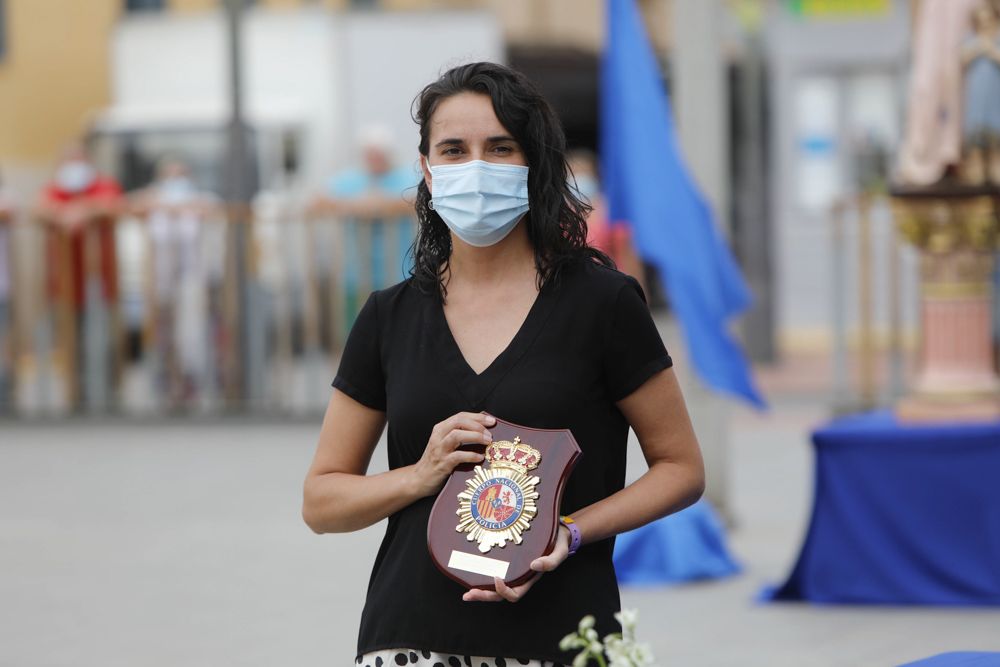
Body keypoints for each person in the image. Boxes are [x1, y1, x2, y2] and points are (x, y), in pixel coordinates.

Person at [302, 62, 704, 665]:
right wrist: (419, 474)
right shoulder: (390, 315)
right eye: (454, 150)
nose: (477, 168)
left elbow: (681, 468)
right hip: (410, 637)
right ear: (427, 172)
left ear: (533, 163)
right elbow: (321, 501)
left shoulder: (603, 303)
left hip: (563, 634)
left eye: (499, 147)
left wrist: (569, 532)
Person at [35, 143, 124, 409]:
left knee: (104, 339)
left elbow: (114, 205)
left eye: (78, 159)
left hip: (100, 281)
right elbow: (41, 207)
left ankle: (109, 395)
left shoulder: (103, 186)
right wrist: (64, 213)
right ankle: (77, 395)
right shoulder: (55, 189)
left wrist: (83, 210)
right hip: (65, 282)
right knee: (72, 341)